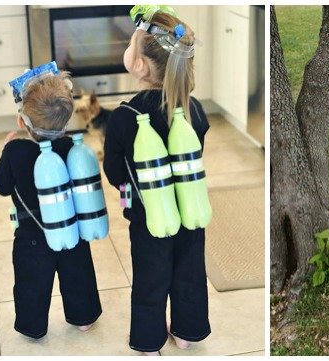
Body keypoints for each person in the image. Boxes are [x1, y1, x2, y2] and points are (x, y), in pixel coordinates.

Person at [103, 5, 211, 356]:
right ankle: (187, 332)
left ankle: (149, 341)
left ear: (139, 65)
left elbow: (115, 173)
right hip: (191, 211)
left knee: (151, 278)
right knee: (190, 272)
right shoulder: (194, 109)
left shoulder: (124, 117)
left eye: (131, 44)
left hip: (148, 217)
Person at [0, 63, 102, 340]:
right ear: (66, 120)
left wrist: (7, 149)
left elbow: (1, 186)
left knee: (31, 282)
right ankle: (84, 318)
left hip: (32, 236)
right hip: (71, 229)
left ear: (22, 122)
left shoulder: (16, 151)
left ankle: (32, 327)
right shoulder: (71, 150)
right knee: (79, 274)